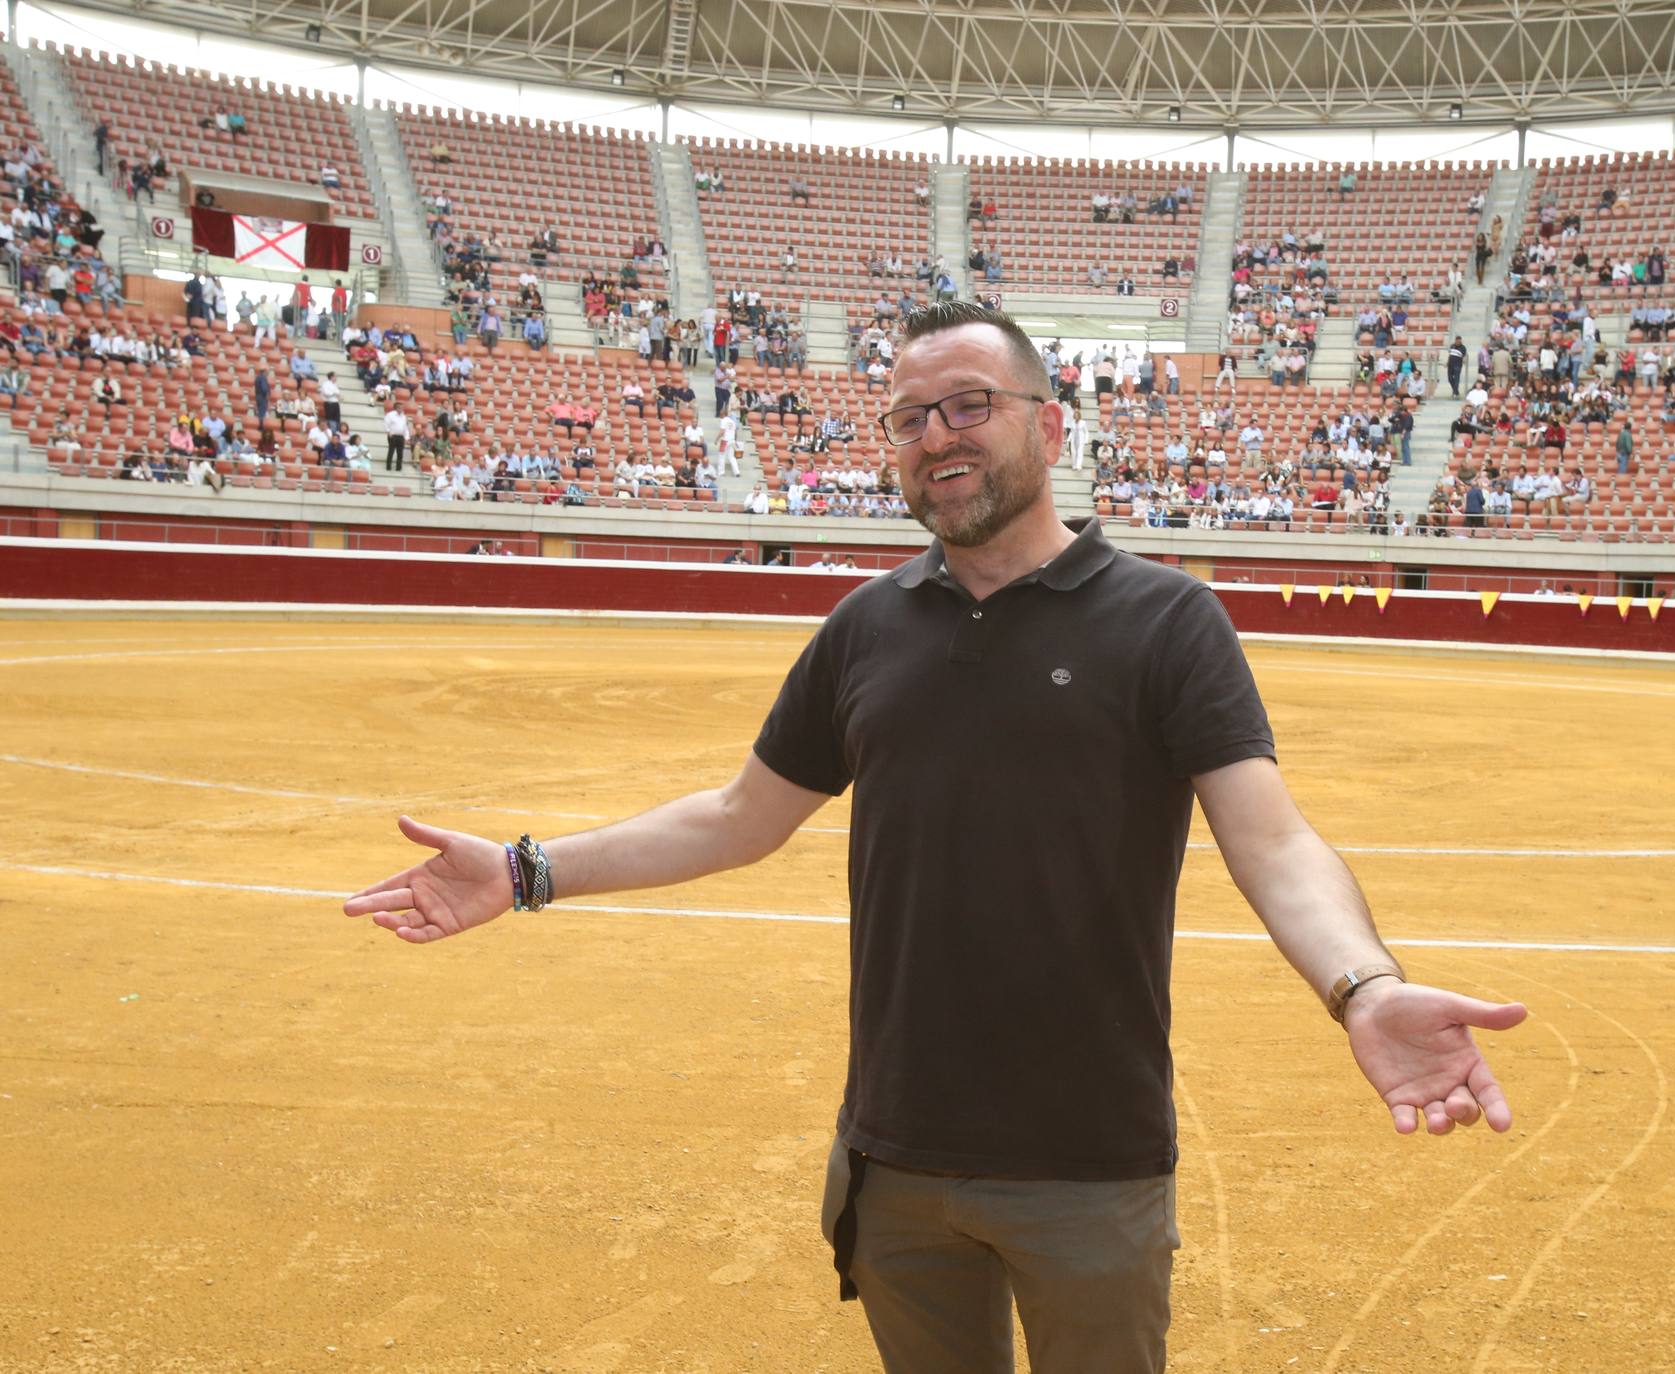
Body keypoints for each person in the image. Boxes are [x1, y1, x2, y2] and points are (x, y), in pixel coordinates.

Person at [341, 300, 1527, 1374]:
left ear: (1051, 428)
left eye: (970, 405)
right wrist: (524, 870)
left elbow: (1272, 842)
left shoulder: (1167, 620)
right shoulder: (867, 627)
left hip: (1089, 1162)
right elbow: (738, 817)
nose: (936, 434)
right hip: (895, 1155)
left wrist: (1363, 988)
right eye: (909, 416)